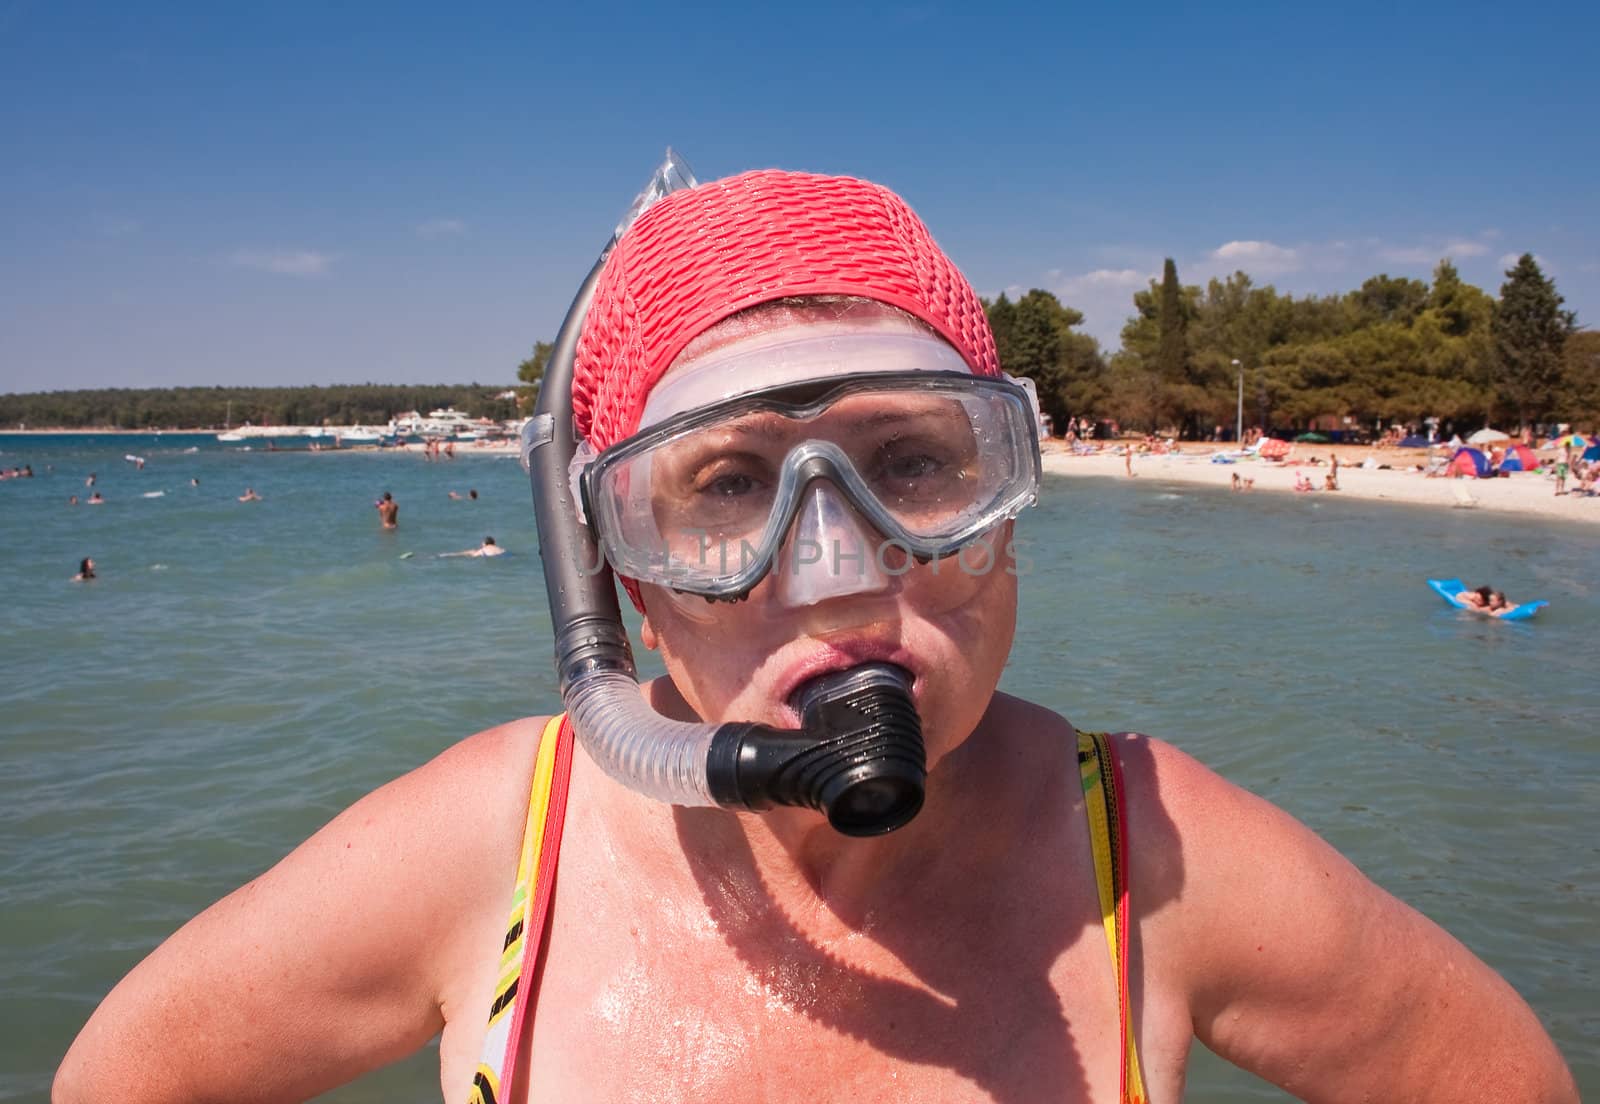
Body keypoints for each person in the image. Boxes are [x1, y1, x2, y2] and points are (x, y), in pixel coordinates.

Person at [55, 168, 1577, 1104]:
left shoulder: (1167, 863)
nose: (841, 569)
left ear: (1004, 497)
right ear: (614, 574)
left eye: (915, 461)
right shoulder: (482, 854)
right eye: (724, 488)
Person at [440, 536, 506, 559]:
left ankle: (446, 555)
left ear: (484, 544)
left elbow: (474, 556)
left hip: (487, 556)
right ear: (494, 543)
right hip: (502, 555)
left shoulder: (483, 550)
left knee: (471, 552)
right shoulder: (501, 549)